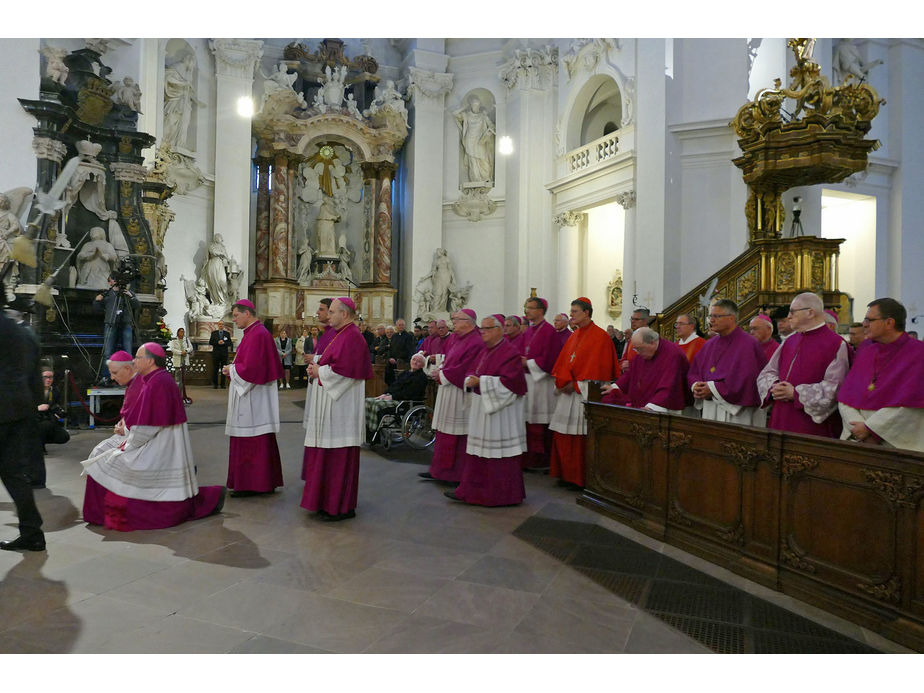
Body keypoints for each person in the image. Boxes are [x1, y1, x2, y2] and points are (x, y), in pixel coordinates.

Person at [80, 343, 225, 531]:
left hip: (158, 447)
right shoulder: (157, 379)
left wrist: (127, 443)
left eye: (138, 358)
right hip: (163, 442)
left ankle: (103, 512)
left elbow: (146, 428)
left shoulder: (156, 383)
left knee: (105, 461)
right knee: (104, 454)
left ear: (149, 360)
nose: (135, 361)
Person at [301, 297, 373, 521]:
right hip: (332, 406)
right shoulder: (342, 334)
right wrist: (318, 369)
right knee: (328, 456)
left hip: (342, 409)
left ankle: (340, 506)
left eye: (331, 312)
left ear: (344, 314)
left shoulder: (352, 337)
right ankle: (327, 503)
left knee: (339, 457)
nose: (328, 316)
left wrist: (318, 372)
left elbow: (344, 372)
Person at [445, 314, 527, 506]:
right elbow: (472, 370)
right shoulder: (485, 350)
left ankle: (499, 495)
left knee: (496, 454)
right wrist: (470, 379)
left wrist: (480, 381)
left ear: (500, 330)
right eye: (481, 329)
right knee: (478, 453)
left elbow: (512, 383)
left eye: (487, 328)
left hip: (500, 413)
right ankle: (472, 490)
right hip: (483, 408)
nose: (482, 332)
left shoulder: (509, 352)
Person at [549, 298, 620, 489]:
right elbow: (565, 362)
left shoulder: (600, 337)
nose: (571, 315)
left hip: (583, 395)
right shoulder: (574, 335)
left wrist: (575, 385)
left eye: (574, 311)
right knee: (563, 436)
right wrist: (562, 383)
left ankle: (579, 478)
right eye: (571, 311)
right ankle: (565, 474)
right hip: (568, 394)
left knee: (579, 440)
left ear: (587, 312)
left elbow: (600, 373)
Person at [756, 292, 849, 438]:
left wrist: (795, 394)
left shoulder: (836, 344)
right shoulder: (790, 341)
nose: (789, 316)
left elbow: (835, 388)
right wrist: (774, 386)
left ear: (810, 312)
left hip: (811, 427)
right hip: (780, 418)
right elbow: (768, 372)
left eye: (792, 312)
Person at [837, 298, 924, 451]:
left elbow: (913, 405)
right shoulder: (866, 352)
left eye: (869, 320)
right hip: (858, 438)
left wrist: (872, 430)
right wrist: (858, 428)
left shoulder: (919, 354)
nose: (864, 324)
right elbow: (846, 398)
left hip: (895, 443)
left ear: (889, 323)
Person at [223, 299, 284, 496]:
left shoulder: (257, 334)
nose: (234, 320)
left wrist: (230, 370)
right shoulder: (253, 333)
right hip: (253, 396)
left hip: (254, 399)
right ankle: (256, 482)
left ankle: (253, 484)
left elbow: (251, 369)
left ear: (246, 313)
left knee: (251, 439)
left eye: (236, 315)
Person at [422, 309, 484, 483]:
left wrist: (442, 375)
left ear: (469, 321)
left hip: (460, 394)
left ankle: (454, 474)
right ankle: (438, 470)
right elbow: (449, 359)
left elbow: (466, 367)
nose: (453, 323)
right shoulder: (456, 338)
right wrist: (439, 368)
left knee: (456, 435)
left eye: (456, 320)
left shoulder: (476, 341)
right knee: (444, 432)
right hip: (447, 390)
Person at [0, 310, 45, 551]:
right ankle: (32, 533)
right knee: (14, 474)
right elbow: (33, 370)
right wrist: (35, 403)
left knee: (14, 474)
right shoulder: (21, 331)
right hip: (19, 410)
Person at [688, 299, 768, 426]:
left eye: (716, 316)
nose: (711, 320)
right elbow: (695, 371)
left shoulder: (748, 344)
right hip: (711, 407)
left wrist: (713, 389)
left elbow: (747, 380)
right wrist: (696, 386)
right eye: (710, 316)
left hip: (737, 412)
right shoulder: (709, 344)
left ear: (731, 318)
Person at [602, 327, 690, 414]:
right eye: (635, 349)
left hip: (663, 410)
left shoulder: (673, 354)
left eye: (639, 349)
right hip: (642, 405)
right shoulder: (644, 353)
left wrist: (652, 407)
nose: (638, 352)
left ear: (652, 343)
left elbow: (669, 386)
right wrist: (615, 387)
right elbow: (630, 374)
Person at [521, 296, 564, 471]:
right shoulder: (529, 331)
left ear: (541, 310)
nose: (527, 311)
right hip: (528, 382)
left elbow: (551, 359)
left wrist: (527, 363)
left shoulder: (549, 331)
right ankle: (528, 458)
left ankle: (541, 460)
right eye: (526, 307)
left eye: (530, 308)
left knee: (540, 422)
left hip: (542, 383)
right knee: (527, 420)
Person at [85, 351, 142, 459]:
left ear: (127, 369)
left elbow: (145, 422)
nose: (112, 378)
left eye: (114, 373)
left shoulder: (140, 386)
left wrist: (124, 429)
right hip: (131, 435)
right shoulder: (133, 384)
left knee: (101, 457)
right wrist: (122, 423)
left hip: (140, 441)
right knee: (98, 453)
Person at [365, 353, 429, 442]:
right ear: (410, 361)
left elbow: (409, 393)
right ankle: (368, 433)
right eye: (414, 360)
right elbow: (394, 386)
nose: (415, 362)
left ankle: (375, 437)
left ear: (423, 365)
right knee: (367, 401)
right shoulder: (405, 373)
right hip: (394, 397)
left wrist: (392, 396)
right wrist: (385, 394)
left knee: (377, 406)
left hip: (405, 402)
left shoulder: (421, 377)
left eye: (418, 361)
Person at [94, 275, 138, 364]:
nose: (111, 282)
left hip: (126, 323)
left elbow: (137, 305)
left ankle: (128, 375)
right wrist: (97, 301)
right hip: (110, 323)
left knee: (127, 351)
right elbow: (96, 308)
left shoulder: (128, 293)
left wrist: (131, 297)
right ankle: (106, 376)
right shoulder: (107, 294)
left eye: (112, 280)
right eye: (110, 281)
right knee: (107, 352)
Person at [453, 96, 496, 184]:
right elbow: (455, 114)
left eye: (477, 104)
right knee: (473, 161)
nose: (475, 106)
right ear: (471, 105)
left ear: (479, 105)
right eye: (473, 104)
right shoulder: (466, 115)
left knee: (484, 159)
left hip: (481, 140)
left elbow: (492, 125)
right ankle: (476, 179)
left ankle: (485, 177)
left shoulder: (483, 116)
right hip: (470, 140)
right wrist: (464, 107)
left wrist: (489, 132)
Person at [163, 54, 196, 149]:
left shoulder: (188, 72)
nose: (192, 66)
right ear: (188, 60)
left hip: (185, 101)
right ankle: (167, 142)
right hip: (175, 99)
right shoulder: (177, 67)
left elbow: (190, 89)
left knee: (184, 122)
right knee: (171, 119)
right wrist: (183, 83)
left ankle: (179, 144)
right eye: (192, 63)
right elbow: (167, 77)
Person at [386, 318, 414, 386]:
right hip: (392, 363)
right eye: (399, 325)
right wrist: (390, 358)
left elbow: (410, 350)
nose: (401, 326)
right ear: (396, 326)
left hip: (403, 363)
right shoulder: (394, 336)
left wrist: (401, 360)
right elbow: (390, 349)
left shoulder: (408, 336)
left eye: (402, 325)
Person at [168, 327, 193, 401]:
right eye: (181, 331)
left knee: (183, 379)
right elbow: (172, 349)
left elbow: (191, 348)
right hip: (178, 361)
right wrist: (180, 352)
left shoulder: (186, 339)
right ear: (178, 332)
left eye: (183, 331)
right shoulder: (174, 340)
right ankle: (176, 395)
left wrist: (186, 350)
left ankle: (183, 395)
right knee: (177, 379)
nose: (182, 333)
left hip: (184, 361)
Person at [208, 320, 232, 388]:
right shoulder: (214, 333)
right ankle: (215, 384)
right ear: (218, 325)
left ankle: (223, 384)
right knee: (215, 369)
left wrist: (224, 343)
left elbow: (230, 343)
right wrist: (217, 342)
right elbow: (210, 342)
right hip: (216, 353)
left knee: (224, 369)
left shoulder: (227, 333)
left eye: (222, 324)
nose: (221, 325)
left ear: (224, 325)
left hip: (224, 354)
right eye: (220, 324)